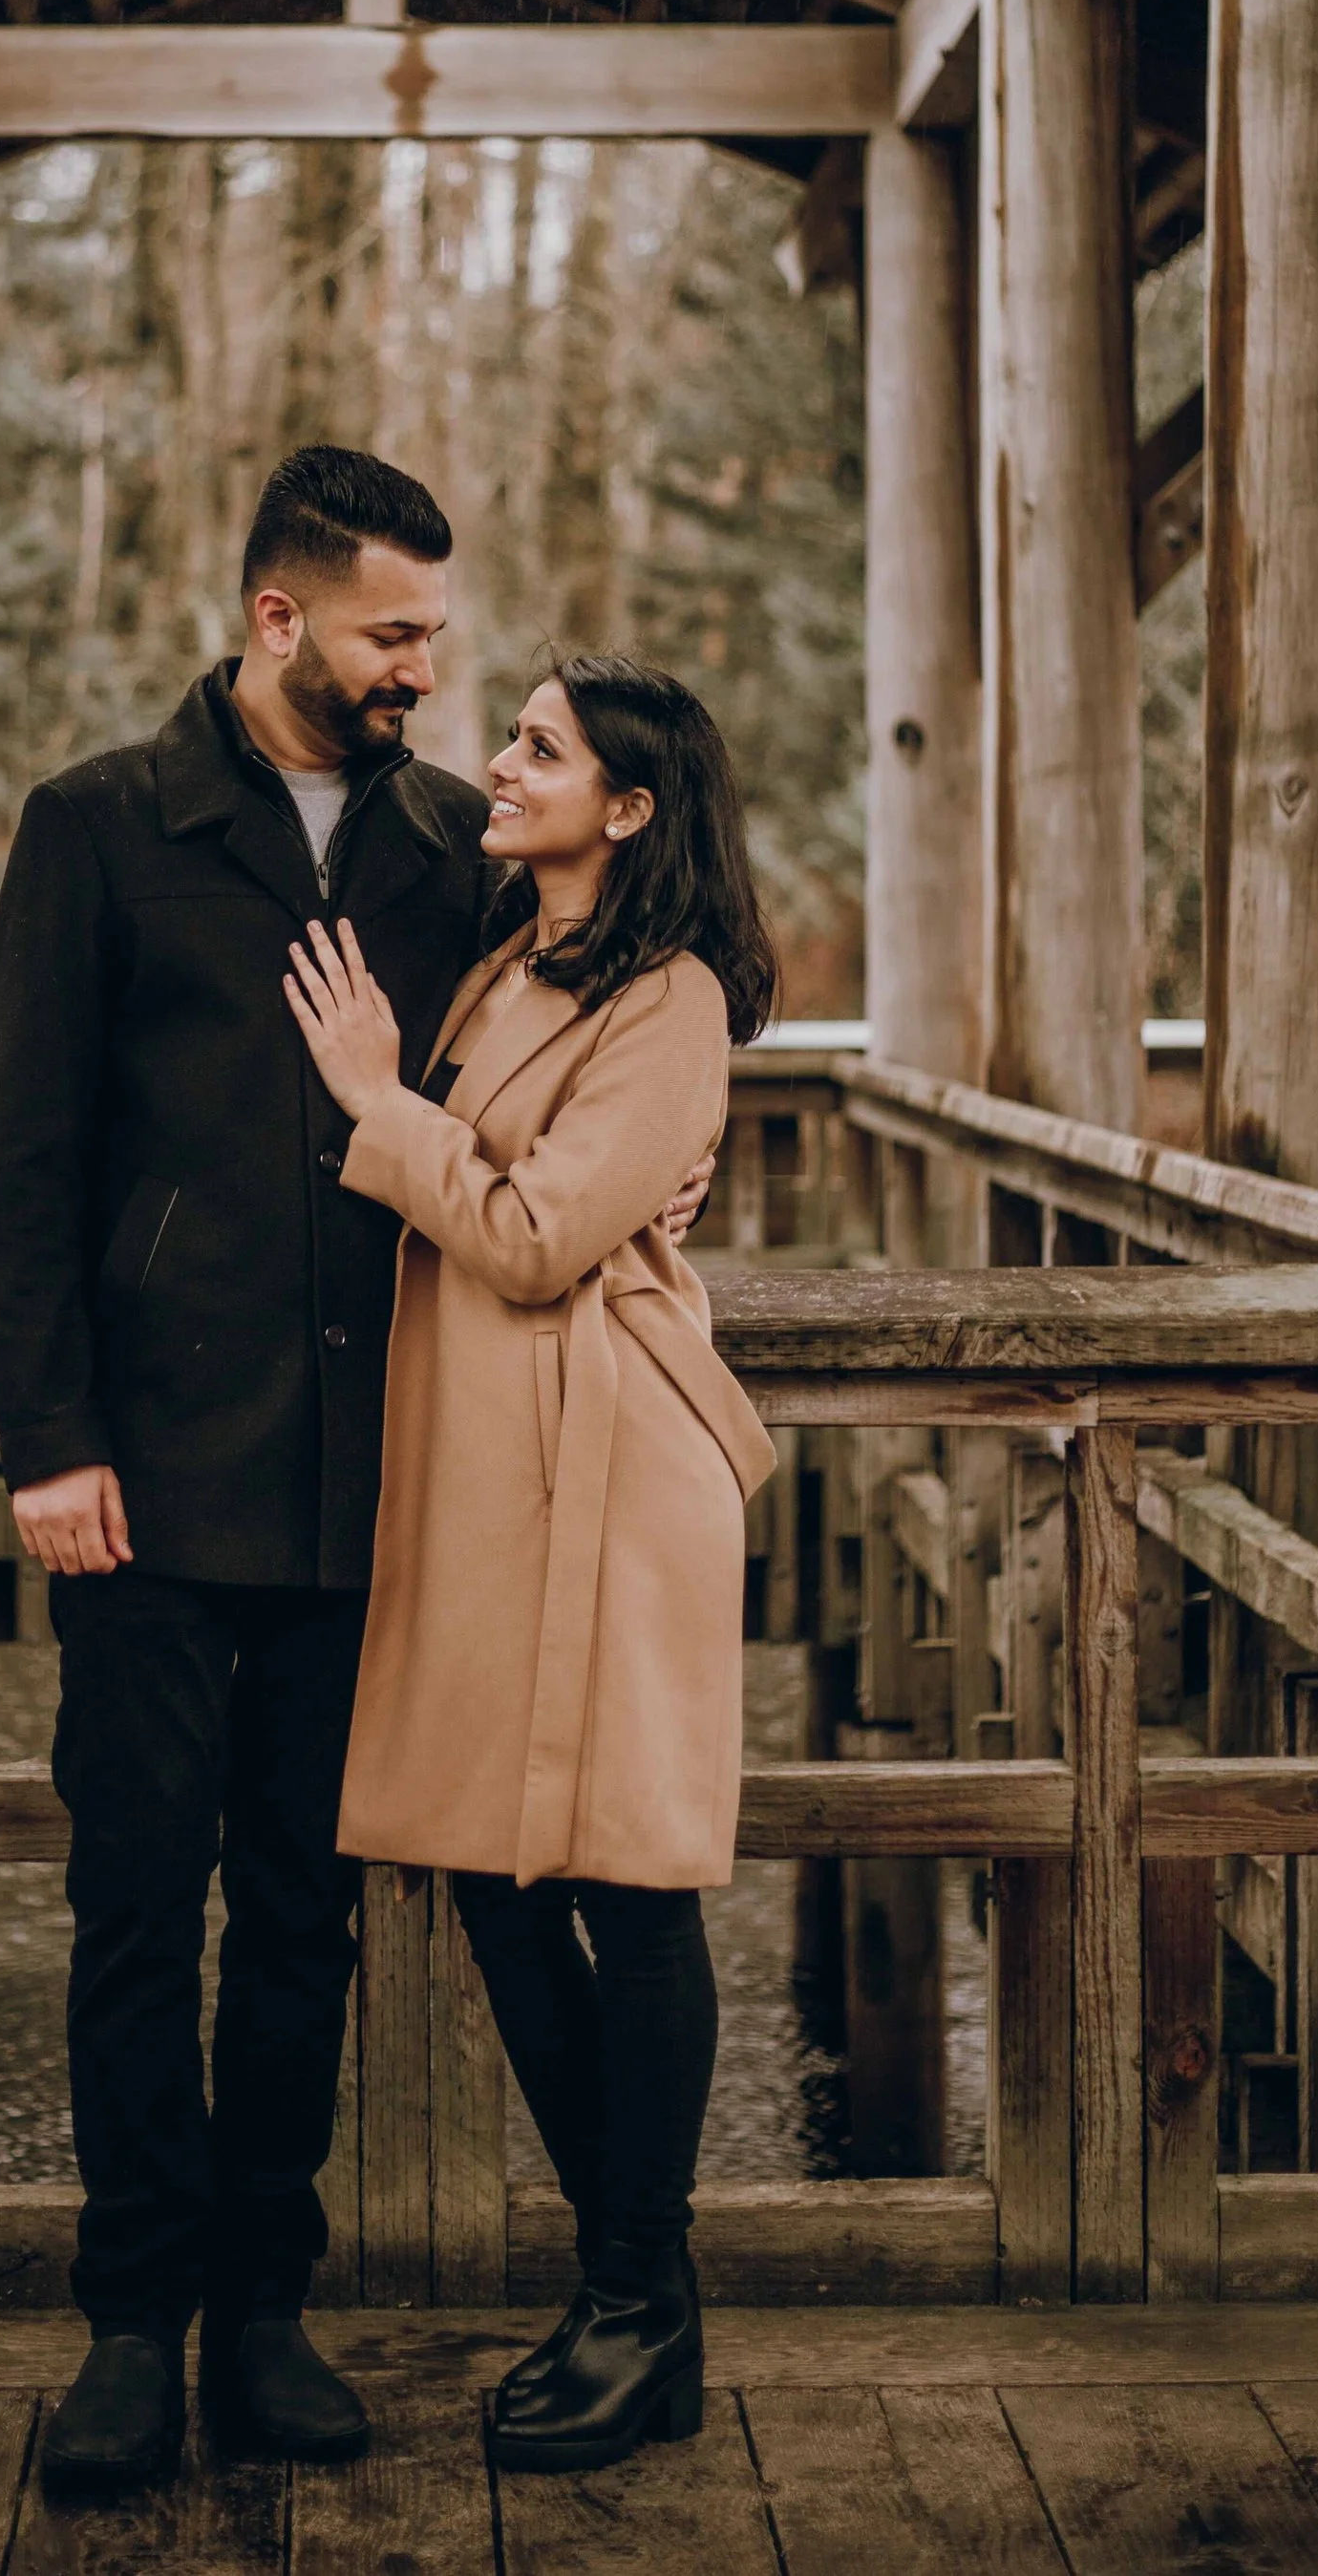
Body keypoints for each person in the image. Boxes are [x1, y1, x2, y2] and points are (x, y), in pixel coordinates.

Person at [0, 449, 490, 2497]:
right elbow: (20, 1158)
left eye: (434, 639)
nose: (418, 675)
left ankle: (264, 2309)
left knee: (302, 1916)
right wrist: (52, 1437)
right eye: (389, 635)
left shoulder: (452, 845)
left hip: (373, 1484)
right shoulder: (99, 827)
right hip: (147, 1489)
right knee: (128, 1907)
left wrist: (680, 1099)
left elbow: (663, 956)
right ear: (277, 617)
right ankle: (125, 2323)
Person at [283, 653, 778, 2476]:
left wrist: (368, 1096)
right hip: (494, 1478)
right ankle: (637, 2283)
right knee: (498, 1879)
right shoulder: (513, 954)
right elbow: (529, 1192)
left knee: (634, 1885)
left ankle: (639, 2302)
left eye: (544, 747)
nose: (504, 759)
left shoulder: (674, 998)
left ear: (629, 807)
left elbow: (548, 1232)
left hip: (615, 1475)